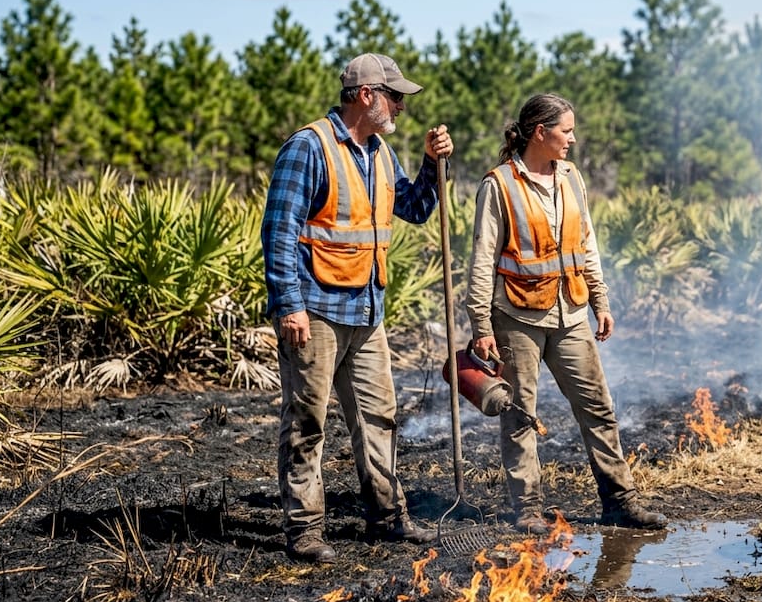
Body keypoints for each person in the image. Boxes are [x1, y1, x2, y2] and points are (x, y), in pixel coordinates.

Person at [262, 53, 454, 563]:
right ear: (366, 95)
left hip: (367, 311)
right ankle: (304, 530)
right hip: (316, 311)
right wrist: (289, 306)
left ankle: (387, 518)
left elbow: (412, 208)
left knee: (378, 416)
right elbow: (278, 232)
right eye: (395, 97)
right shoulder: (309, 147)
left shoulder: (380, 152)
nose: (401, 107)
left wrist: (432, 166)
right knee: (307, 420)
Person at [465, 92, 667, 535]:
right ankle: (528, 509)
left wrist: (600, 300)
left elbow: (586, 243)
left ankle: (620, 501)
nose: (572, 139)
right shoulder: (498, 185)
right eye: (566, 131)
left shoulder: (571, 178)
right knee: (520, 415)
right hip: (517, 316)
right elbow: (481, 258)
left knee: (598, 407)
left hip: (570, 310)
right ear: (541, 133)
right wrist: (481, 325)